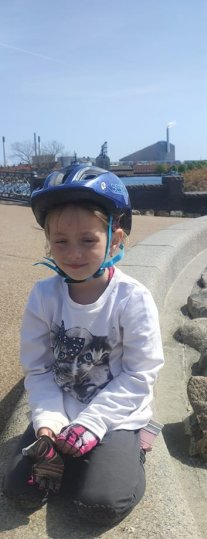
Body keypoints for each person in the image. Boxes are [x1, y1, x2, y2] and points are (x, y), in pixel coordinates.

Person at [2, 165, 164, 525]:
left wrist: (92, 423)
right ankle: (76, 455)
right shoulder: (44, 295)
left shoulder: (132, 298)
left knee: (99, 506)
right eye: (61, 242)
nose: (73, 253)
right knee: (20, 490)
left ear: (115, 238)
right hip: (62, 406)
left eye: (88, 240)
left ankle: (136, 445)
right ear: (48, 240)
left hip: (116, 413)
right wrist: (47, 423)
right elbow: (38, 368)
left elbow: (140, 374)